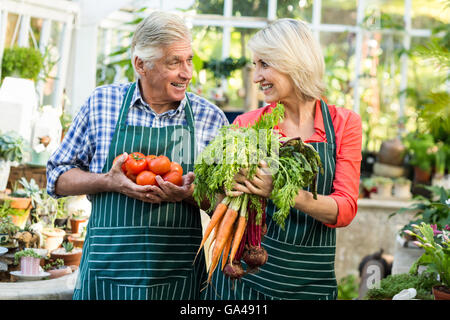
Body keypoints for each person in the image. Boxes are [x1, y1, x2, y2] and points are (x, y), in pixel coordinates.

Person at [46, 11, 229, 300]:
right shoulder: (101, 104)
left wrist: (190, 194)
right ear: (140, 64)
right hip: (106, 274)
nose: (187, 73)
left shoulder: (210, 118)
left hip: (177, 278)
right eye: (174, 62)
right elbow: (56, 177)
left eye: (189, 59)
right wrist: (109, 181)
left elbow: (227, 204)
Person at [203, 18, 362, 300]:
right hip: (243, 288)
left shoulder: (343, 124)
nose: (255, 77)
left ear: (293, 62)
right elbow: (220, 204)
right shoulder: (247, 125)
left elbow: (344, 209)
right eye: (255, 65)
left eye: (265, 64)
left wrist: (277, 190)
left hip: (311, 287)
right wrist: (215, 191)